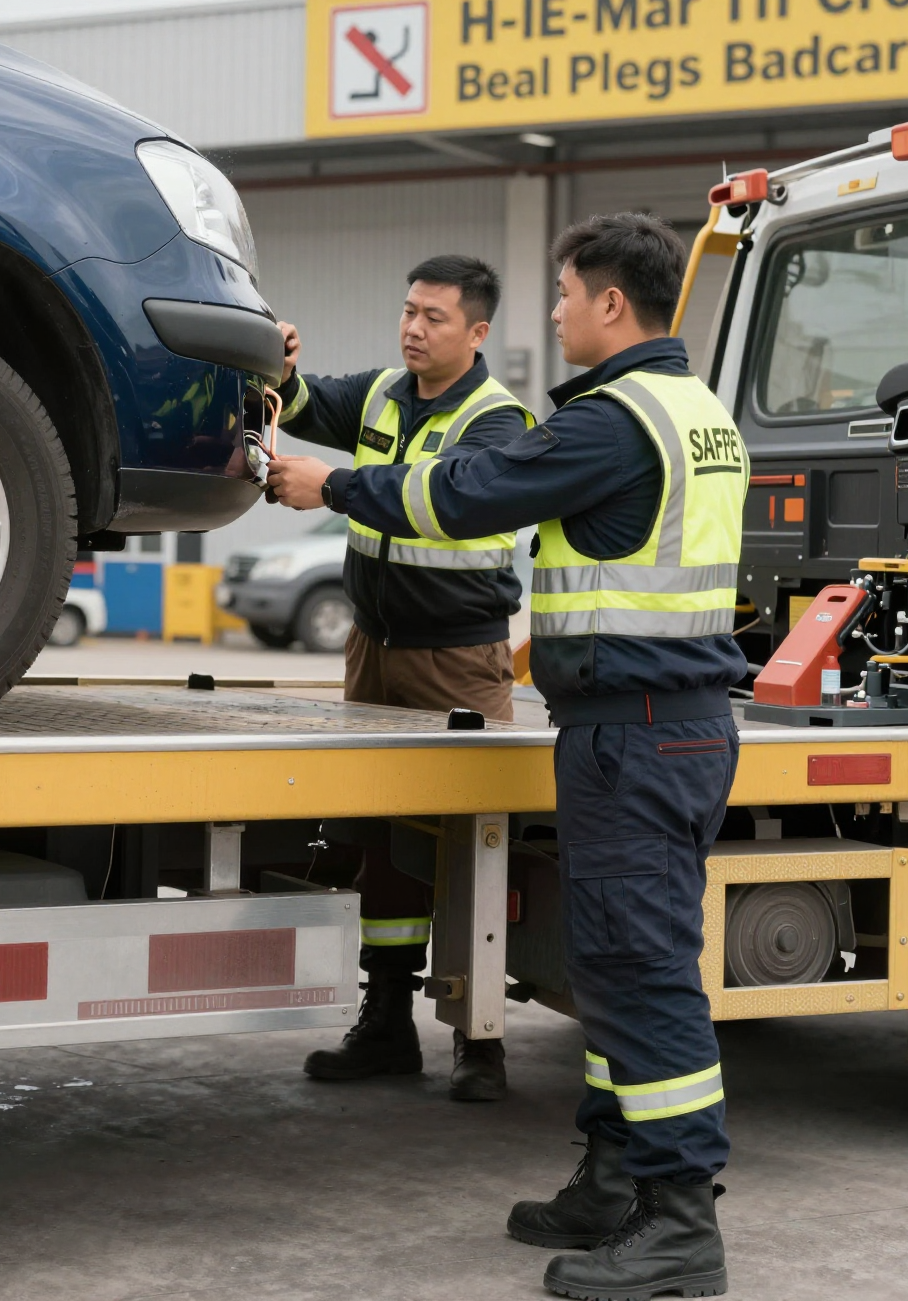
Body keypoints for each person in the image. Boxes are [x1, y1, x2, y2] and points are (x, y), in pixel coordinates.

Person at [268, 213, 746, 1300]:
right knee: (616, 968)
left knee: (642, 972)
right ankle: (614, 1172)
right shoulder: (695, 410)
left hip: (638, 726)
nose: (560, 312)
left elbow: (466, 496)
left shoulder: (611, 422)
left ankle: (680, 1224)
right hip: (649, 724)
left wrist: (331, 486)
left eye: (568, 294)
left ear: (612, 305)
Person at [273, 253, 533, 1102]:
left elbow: (453, 497)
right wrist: (278, 366)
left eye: (436, 317)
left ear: (478, 332)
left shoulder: (500, 420)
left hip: (458, 659)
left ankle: (480, 1042)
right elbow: (309, 402)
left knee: (466, 850)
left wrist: (336, 486)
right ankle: (385, 1022)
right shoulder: (385, 393)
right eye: (409, 310)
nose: (414, 328)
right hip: (374, 649)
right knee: (380, 845)